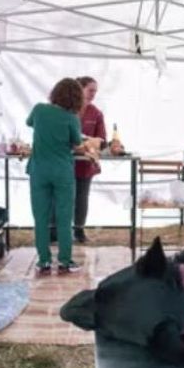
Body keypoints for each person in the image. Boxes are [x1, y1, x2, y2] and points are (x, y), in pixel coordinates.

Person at [26, 78, 84, 275]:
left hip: (39, 171)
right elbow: (77, 143)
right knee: (64, 218)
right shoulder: (71, 118)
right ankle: (65, 261)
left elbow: (29, 122)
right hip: (62, 172)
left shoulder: (39, 110)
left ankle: (43, 261)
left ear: (55, 92)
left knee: (40, 218)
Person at [73, 76, 107, 244]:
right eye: (90, 90)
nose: (93, 94)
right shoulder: (67, 109)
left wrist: (91, 143)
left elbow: (102, 139)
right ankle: (54, 230)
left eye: (95, 91)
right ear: (80, 89)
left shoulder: (96, 113)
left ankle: (79, 230)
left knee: (82, 197)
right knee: (60, 198)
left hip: (86, 164)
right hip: (65, 163)